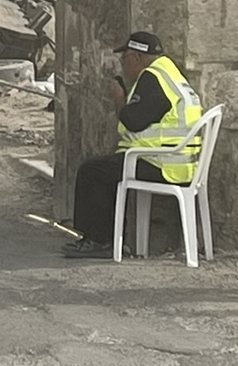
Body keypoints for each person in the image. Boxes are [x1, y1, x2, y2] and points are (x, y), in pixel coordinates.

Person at [63, 32, 202, 259]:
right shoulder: (171, 73)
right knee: (108, 168)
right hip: (181, 163)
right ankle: (112, 238)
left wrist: (118, 97)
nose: (123, 66)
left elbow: (133, 121)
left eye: (124, 59)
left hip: (162, 164)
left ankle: (98, 241)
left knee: (91, 171)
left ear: (136, 58)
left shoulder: (152, 77)